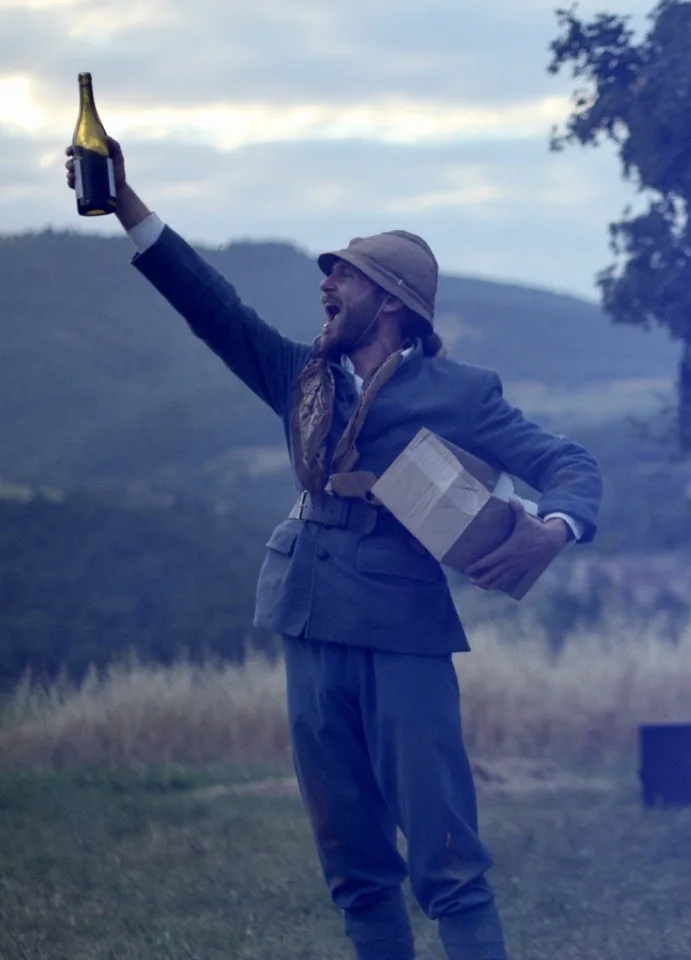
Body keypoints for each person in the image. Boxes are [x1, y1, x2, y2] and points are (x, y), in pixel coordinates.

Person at [65, 139, 603, 960]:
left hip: (402, 635)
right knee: (351, 859)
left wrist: (553, 525)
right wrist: (127, 204)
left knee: (449, 859)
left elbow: (570, 464)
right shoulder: (300, 378)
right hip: (310, 624)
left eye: (343, 275)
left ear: (388, 302)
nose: (326, 284)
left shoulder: (460, 392)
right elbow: (212, 305)